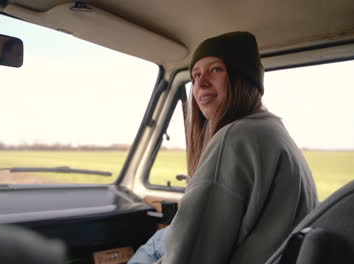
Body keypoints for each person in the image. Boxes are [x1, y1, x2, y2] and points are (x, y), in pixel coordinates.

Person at [129, 31, 318, 264]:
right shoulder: (272, 129)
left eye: (215, 69)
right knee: (161, 239)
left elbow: (190, 257)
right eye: (196, 75)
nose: (201, 83)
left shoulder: (234, 137)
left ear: (242, 77)